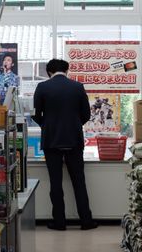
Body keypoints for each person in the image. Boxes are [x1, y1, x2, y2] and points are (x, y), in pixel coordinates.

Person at [32, 59, 98, 231]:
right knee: (79, 181)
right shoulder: (77, 87)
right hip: (74, 140)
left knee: (55, 183)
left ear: (48, 72)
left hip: (51, 140)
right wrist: (74, 124)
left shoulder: (42, 87)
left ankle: (59, 222)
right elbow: (86, 114)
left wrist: (46, 125)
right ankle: (86, 221)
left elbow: (36, 113)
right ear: (67, 71)